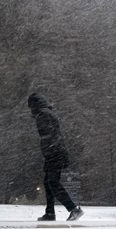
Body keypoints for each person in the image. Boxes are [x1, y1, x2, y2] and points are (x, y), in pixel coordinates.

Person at [28, 93, 83, 221]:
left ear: (35, 105)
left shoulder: (43, 115)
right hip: (54, 152)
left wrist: (49, 150)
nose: (31, 110)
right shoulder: (47, 113)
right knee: (48, 183)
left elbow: (48, 135)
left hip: (54, 152)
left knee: (52, 182)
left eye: (31, 107)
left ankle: (73, 209)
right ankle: (50, 213)